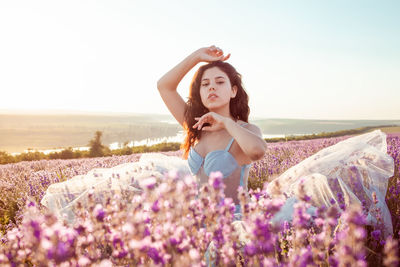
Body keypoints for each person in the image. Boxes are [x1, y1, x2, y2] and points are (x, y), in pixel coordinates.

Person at [40, 45, 394, 263]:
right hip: (191, 217)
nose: (211, 87)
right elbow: (163, 85)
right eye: (205, 83)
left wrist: (226, 120)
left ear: (233, 88)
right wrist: (197, 57)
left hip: (231, 220)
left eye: (219, 82)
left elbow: (257, 151)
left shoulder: (244, 130)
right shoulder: (194, 125)